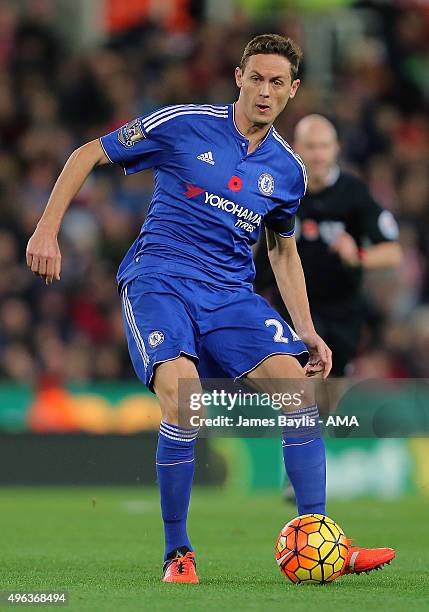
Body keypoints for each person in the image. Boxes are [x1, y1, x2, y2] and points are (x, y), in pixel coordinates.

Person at [26, 34, 394, 584]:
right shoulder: (183, 123)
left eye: (277, 83)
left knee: (299, 391)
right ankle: (179, 554)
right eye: (257, 78)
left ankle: (320, 540)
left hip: (229, 294)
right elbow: (87, 154)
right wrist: (47, 230)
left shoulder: (288, 172)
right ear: (238, 77)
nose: (264, 92)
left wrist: (308, 330)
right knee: (186, 400)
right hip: (161, 278)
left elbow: (281, 250)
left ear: (292, 92)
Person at [255, 114, 402, 376]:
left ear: (336, 149)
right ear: (296, 148)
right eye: (311, 146)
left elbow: (393, 252)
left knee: (330, 390)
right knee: (299, 383)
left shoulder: (354, 192)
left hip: (341, 312)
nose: (318, 155)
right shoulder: (279, 190)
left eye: (324, 146)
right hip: (289, 308)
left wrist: (357, 255)